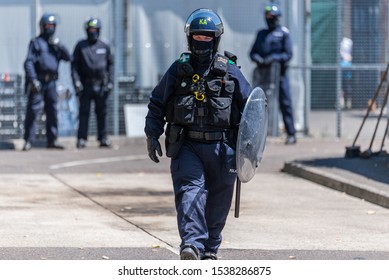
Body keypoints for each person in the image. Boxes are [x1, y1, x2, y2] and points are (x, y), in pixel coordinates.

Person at [144, 8, 252, 260]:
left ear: (216, 39)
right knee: (190, 192)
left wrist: (250, 150)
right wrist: (152, 134)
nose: (201, 42)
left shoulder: (230, 72)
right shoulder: (178, 70)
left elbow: (253, 108)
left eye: (206, 37)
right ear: (189, 38)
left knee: (218, 201)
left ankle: (210, 249)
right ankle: (191, 244)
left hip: (223, 148)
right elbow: (157, 102)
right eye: (197, 37)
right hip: (187, 145)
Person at [249, 3, 297, 145]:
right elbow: (252, 53)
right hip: (263, 75)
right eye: (268, 16)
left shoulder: (283, 33)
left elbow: (288, 54)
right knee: (258, 103)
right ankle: (257, 136)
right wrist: (258, 59)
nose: (270, 19)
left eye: (273, 17)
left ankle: (291, 134)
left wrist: (273, 59)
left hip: (279, 75)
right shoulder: (261, 34)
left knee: (285, 103)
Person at [23, 13, 71, 151]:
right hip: (38, 82)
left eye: (52, 25)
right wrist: (33, 80)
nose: (50, 28)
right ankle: (28, 141)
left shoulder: (55, 45)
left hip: (51, 83)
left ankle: (52, 140)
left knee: (53, 111)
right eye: (47, 25)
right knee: (33, 112)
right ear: (42, 27)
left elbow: (69, 58)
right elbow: (29, 62)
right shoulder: (36, 43)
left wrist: (60, 45)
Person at [71, 17, 114, 148]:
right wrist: (77, 82)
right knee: (84, 113)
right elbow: (74, 66)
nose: (92, 31)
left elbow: (111, 65)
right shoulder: (81, 46)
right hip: (86, 85)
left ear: (99, 30)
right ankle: (81, 139)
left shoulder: (104, 46)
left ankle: (103, 138)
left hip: (100, 85)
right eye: (90, 29)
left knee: (102, 112)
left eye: (95, 29)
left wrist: (110, 82)